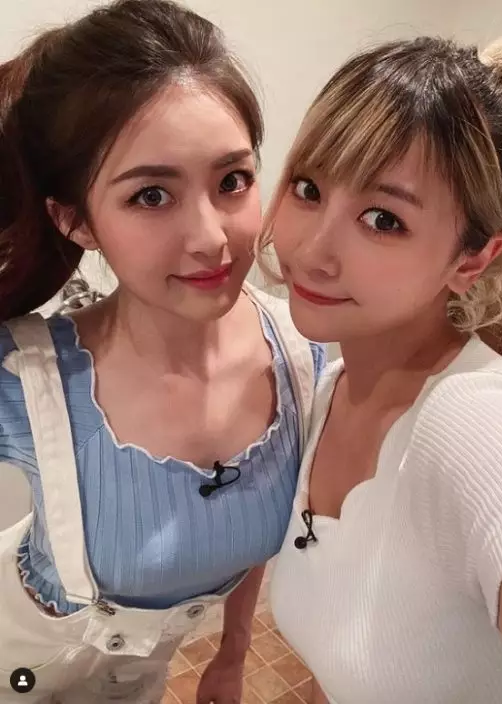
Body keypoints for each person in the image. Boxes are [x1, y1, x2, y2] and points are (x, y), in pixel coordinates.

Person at [0, 1, 324, 702]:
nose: (211, 238)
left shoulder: (307, 365)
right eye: (151, 195)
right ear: (75, 219)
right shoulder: (24, 381)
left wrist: (233, 653)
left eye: (232, 181)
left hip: (137, 680)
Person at [258, 33, 502, 704]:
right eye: (308, 188)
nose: (312, 250)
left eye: (382, 219)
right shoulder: (331, 391)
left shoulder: (482, 425)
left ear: (472, 259)